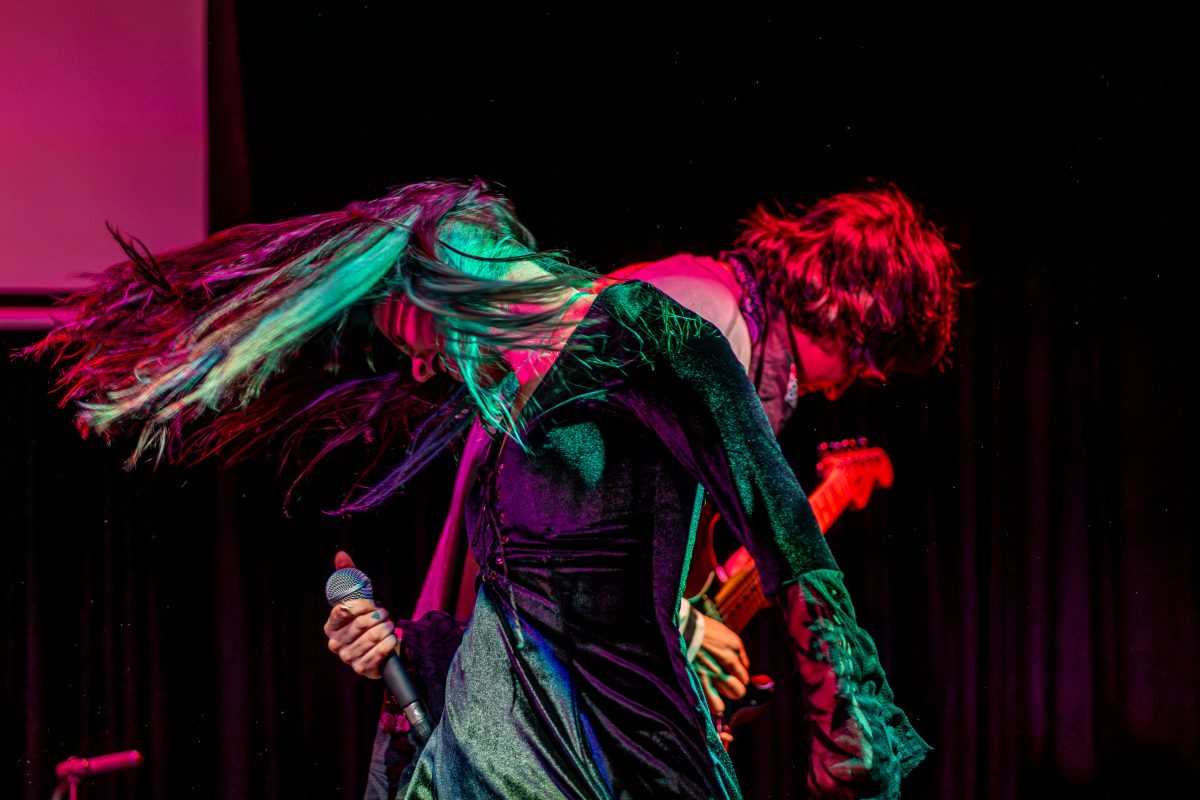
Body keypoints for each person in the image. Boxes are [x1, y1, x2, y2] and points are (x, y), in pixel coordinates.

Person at [35, 179, 944, 799]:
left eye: (413, 336)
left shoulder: (650, 330)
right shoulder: (511, 401)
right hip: (498, 749)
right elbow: (513, 603)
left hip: (614, 751)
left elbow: (788, 541)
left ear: (437, 288)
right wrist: (399, 645)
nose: (420, 363)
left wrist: (850, 732)